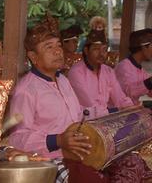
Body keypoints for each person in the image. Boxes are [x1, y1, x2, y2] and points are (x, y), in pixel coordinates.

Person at [8, 16, 91, 182]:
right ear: (33, 56)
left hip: (77, 155)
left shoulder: (63, 80)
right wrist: (58, 140)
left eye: (59, 45)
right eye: (49, 47)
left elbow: (79, 113)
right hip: (49, 161)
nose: (58, 51)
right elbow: (17, 139)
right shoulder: (26, 90)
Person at [68, 30, 133, 119]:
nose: (101, 54)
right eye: (96, 49)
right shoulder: (76, 72)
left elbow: (120, 98)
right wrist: (116, 110)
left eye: (104, 50)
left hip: (105, 118)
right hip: (84, 122)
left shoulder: (108, 71)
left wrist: (131, 108)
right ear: (86, 50)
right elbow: (90, 105)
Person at [115, 28, 152, 104]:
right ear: (144, 47)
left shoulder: (141, 71)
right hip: (120, 113)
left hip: (132, 112)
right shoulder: (123, 67)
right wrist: (149, 82)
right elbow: (129, 92)